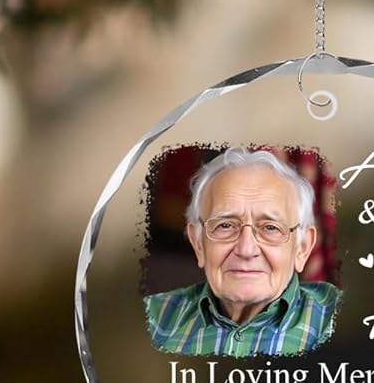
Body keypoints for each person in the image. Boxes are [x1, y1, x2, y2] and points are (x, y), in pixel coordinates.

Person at [145, 147, 340, 356]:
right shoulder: (150, 320)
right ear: (198, 243)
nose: (246, 250)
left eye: (270, 228)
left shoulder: (341, 325)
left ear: (303, 247)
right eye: (225, 226)